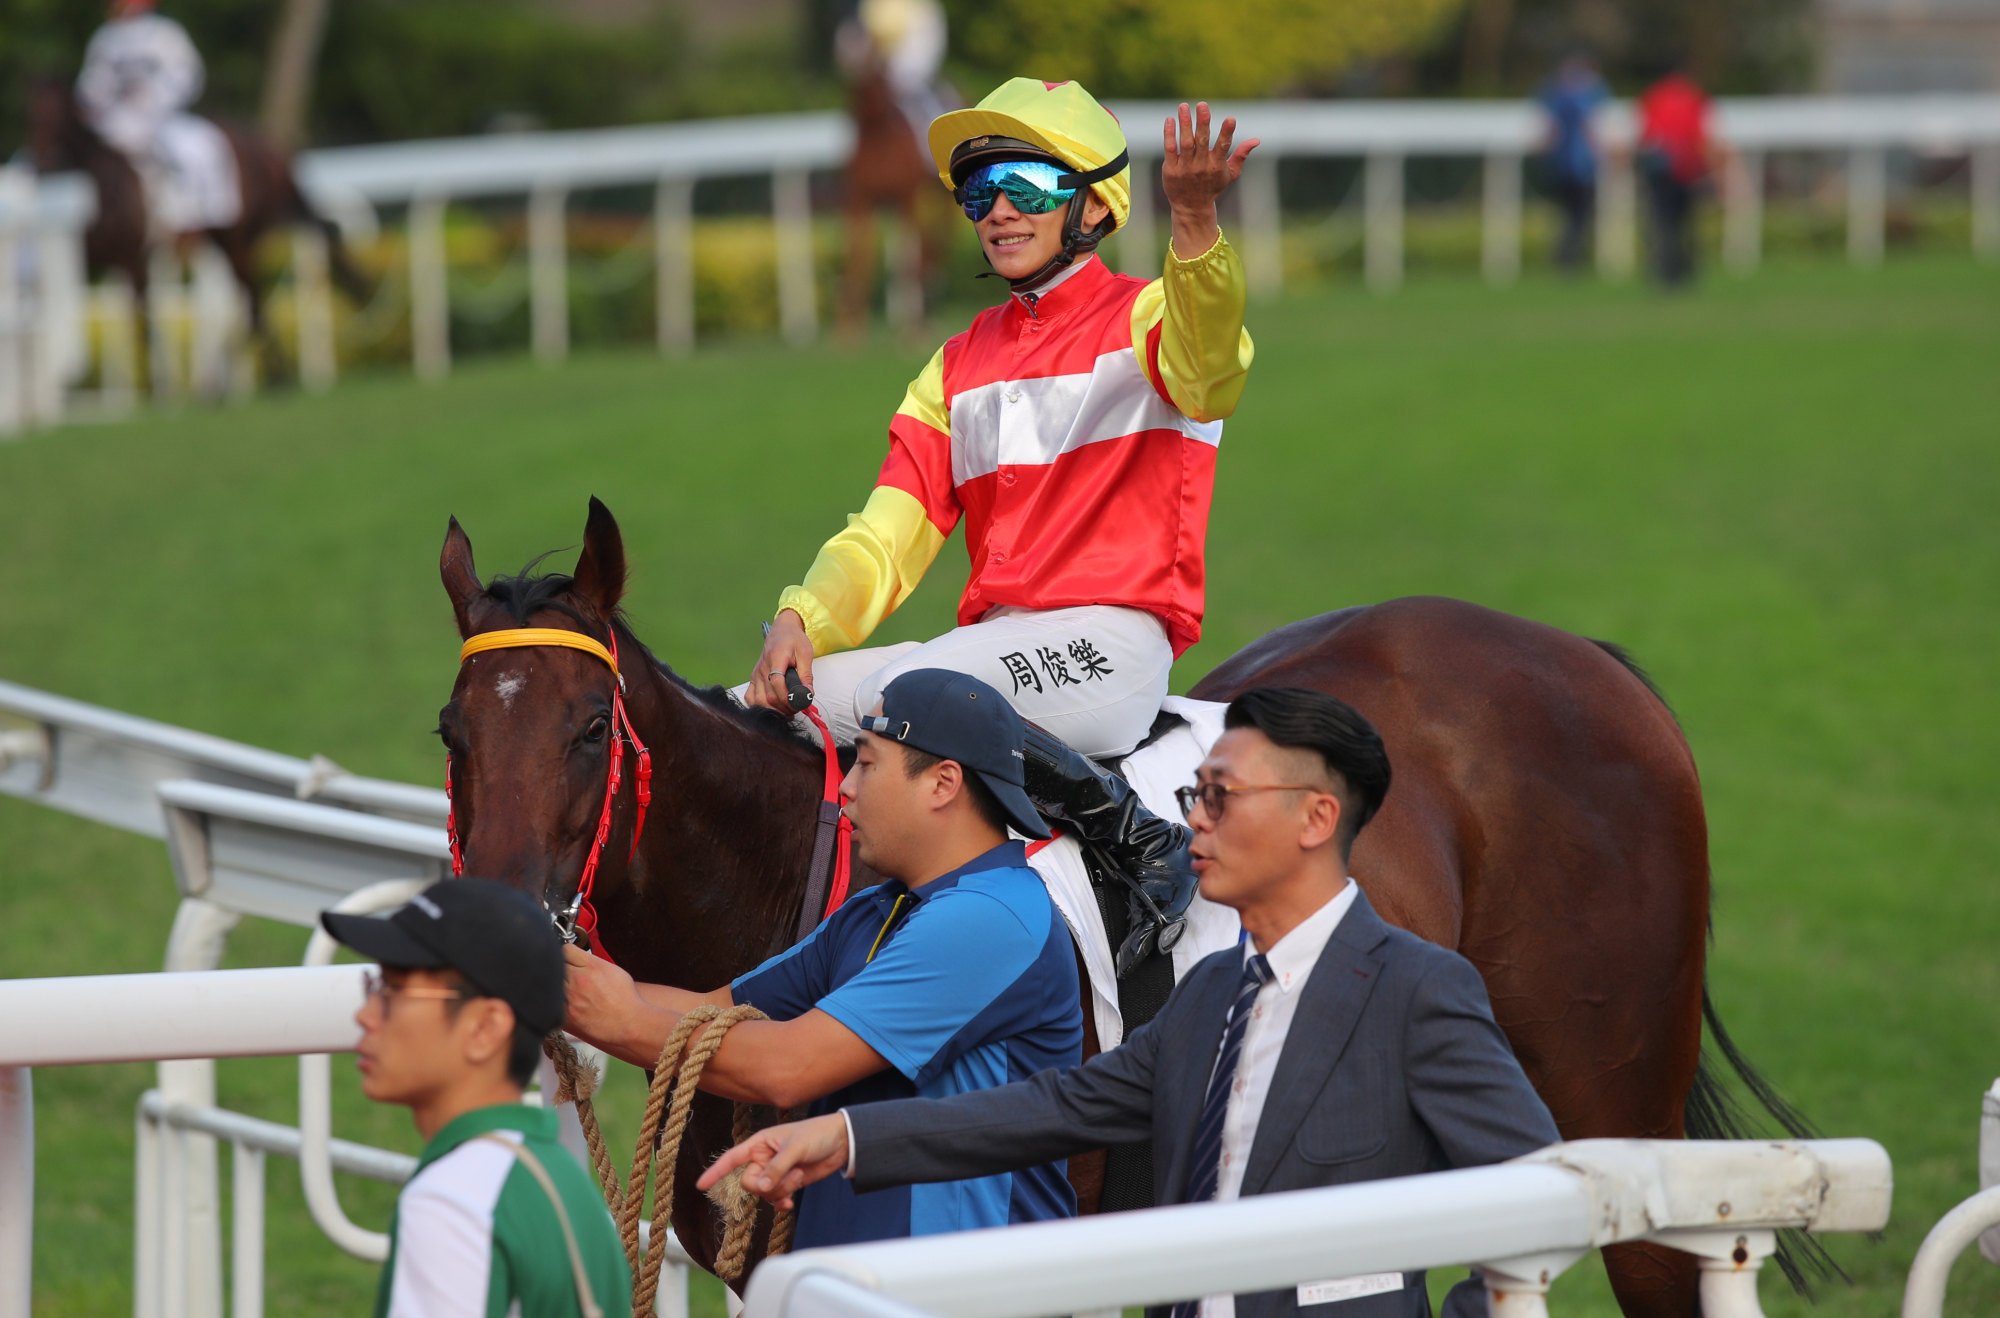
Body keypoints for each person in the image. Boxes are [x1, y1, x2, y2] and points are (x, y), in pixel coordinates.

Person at [701, 688, 1560, 1318]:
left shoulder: (1419, 990)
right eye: (1194, 796)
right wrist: (847, 1139)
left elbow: (1542, 1195)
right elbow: (1052, 1108)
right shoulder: (1210, 995)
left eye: (1220, 797)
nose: (1193, 824)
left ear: (1315, 819)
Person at [744, 77, 1260, 976]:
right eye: (981, 191)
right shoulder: (953, 366)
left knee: (916, 694)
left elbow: (1211, 363)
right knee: (760, 717)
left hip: (1111, 644)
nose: (1001, 210)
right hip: (998, 652)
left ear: (1093, 205)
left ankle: (1141, 839)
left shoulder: (1151, 317)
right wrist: (801, 619)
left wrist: (1193, 222)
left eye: (1029, 184)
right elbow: (886, 534)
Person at [563, 667, 1083, 1250]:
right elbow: (712, 1010)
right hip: (859, 1282)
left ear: (942, 783)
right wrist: (544, 979)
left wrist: (623, 1022)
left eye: (867, 763)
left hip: (952, 1287)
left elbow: (787, 1066)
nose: (845, 788)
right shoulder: (880, 909)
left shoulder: (990, 918)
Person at [320, 878, 630, 1318]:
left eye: (393, 991)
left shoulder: (451, 1204)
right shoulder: (567, 1184)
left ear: (486, 1028)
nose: (365, 1015)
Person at [74, 0, 238, 233]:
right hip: (112, 122)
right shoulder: (104, 39)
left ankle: (190, 217)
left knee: (198, 147)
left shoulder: (164, 34)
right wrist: (100, 104)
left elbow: (186, 74)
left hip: (159, 118)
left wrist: (152, 99)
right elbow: (92, 85)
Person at [1636, 58, 1721, 288]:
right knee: (1687, 224)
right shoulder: (1694, 96)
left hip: (1661, 170)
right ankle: (1685, 271)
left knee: (1662, 223)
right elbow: (1701, 135)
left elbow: (1647, 135)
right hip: (1688, 169)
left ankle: (1664, 272)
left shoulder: (1654, 96)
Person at [1535, 52, 1608, 272]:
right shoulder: (1587, 93)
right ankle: (1568, 257)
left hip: (1564, 165)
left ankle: (1567, 256)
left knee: (1571, 215)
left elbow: (1550, 131)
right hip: (1579, 167)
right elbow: (1589, 128)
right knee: (1578, 216)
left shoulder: (1555, 92)